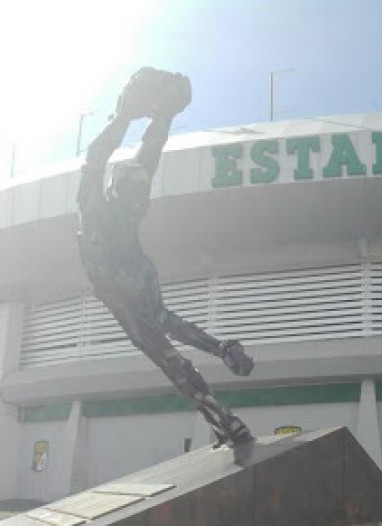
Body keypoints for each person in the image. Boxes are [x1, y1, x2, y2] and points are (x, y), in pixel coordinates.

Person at [76, 67, 254, 447]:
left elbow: (117, 157)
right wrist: (137, 117)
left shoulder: (121, 212)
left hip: (125, 277)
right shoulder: (102, 207)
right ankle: (221, 403)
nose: (141, 197)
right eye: (134, 190)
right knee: (169, 347)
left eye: (142, 192)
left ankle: (222, 418)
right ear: (119, 189)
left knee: (167, 350)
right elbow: (106, 158)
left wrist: (147, 117)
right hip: (122, 275)